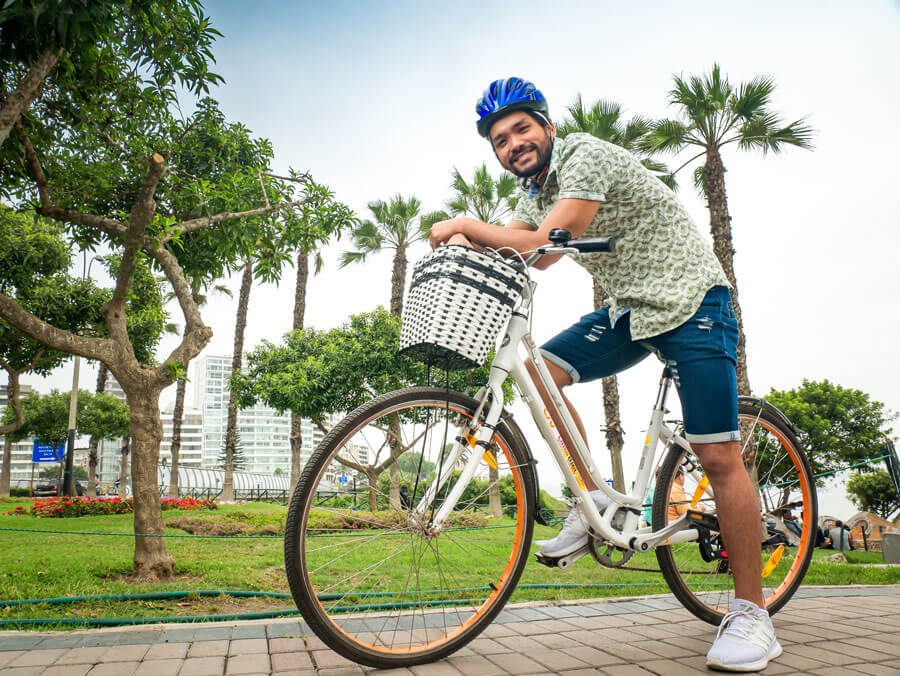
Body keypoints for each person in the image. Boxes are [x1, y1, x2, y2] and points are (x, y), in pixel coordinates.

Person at [428, 77, 781, 672]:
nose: (513, 144)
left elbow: (546, 241)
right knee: (539, 373)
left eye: (521, 129)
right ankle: (589, 500)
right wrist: (466, 243)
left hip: (692, 300)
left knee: (717, 453)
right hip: (629, 311)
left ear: (546, 126)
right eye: (499, 139)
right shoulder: (533, 190)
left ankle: (752, 615)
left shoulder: (587, 154)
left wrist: (464, 221)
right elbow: (527, 250)